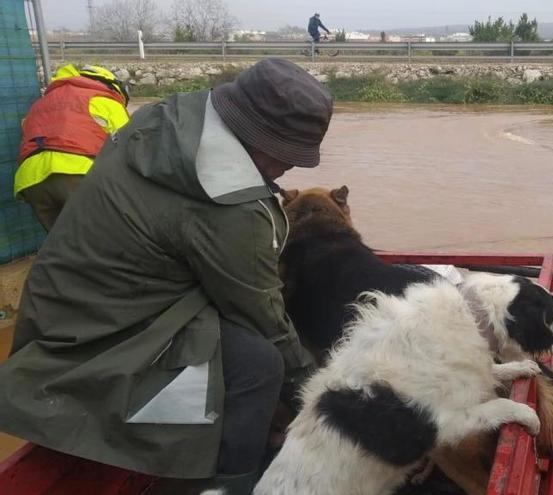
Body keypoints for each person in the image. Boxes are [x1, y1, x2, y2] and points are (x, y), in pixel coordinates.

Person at [0, 59, 332, 494]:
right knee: (258, 364)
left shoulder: (170, 119)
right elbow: (262, 316)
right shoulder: (229, 206)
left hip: (61, 308)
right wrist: (314, 396)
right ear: (255, 139)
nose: (289, 169)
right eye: (286, 155)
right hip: (104, 337)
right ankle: (229, 483)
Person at [14, 64, 130, 231]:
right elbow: (130, 145)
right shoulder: (105, 101)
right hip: (78, 173)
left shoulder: (41, 103)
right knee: (103, 238)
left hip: (31, 180)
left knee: (59, 243)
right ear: (112, 85)